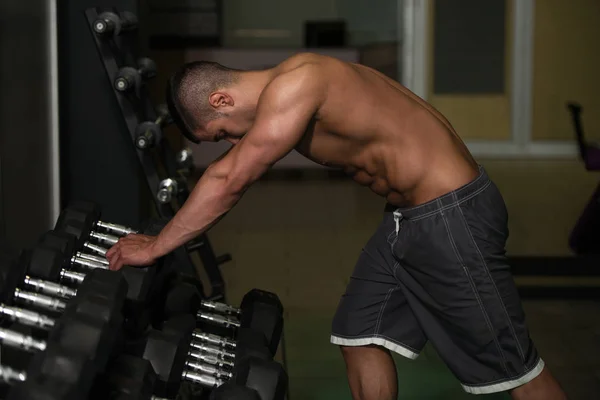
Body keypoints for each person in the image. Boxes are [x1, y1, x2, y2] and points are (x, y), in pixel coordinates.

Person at [105, 53, 567, 399]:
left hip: (449, 217)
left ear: (221, 99)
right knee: (358, 331)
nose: (231, 141)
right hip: (411, 218)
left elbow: (230, 178)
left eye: (222, 132)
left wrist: (157, 245)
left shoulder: (298, 85)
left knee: (517, 372)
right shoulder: (300, 76)